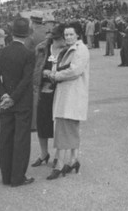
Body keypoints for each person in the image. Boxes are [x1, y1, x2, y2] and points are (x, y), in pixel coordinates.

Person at [0, 17, 35, 187]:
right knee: (21, 140)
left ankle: (6, 176)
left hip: (5, 103)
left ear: (11, 33)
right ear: (27, 34)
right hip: (21, 103)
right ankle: (18, 177)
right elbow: (26, 80)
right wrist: (13, 98)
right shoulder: (29, 54)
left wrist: (4, 96)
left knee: (5, 139)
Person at [46, 25, 90, 180]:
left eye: (71, 34)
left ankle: (59, 164)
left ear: (78, 35)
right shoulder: (71, 49)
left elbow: (75, 71)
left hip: (71, 95)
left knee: (63, 130)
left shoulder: (80, 50)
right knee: (70, 129)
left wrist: (55, 75)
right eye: (66, 35)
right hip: (70, 95)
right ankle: (73, 160)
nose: (68, 37)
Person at [31, 24, 66, 169]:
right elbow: (34, 68)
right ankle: (44, 154)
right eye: (65, 37)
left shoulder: (68, 50)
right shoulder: (42, 48)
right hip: (44, 89)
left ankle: (58, 155)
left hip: (61, 90)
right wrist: (44, 73)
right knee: (42, 122)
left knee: (59, 124)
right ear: (58, 38)